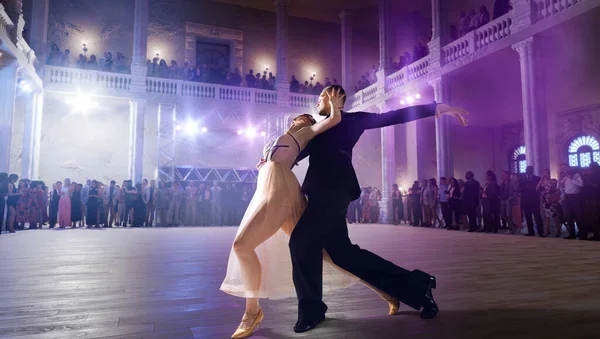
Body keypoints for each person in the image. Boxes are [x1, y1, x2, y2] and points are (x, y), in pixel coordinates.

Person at [221, 89, 408, 339]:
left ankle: (252, 311)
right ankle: (385, 291)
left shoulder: (308, 132)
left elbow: (334, 120)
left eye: (307, 118)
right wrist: (265, 159)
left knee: (243, 245)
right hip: (270, 190)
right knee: (326, 255)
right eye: (300, 118)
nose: (302, 119)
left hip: (281, 193)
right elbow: (280, 157)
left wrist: (331, 105)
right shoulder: (284, 137)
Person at [289, 85, 469, 333]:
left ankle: (311, 310)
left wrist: (435, 107)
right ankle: (418, 287)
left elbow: (394, 115)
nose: (318, 99)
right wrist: (273, 160)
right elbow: (296, 152)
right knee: (343, 255)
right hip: (319, 194)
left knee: (301, 241)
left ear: (337, 98)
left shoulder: (353, 120)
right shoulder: (316, 129)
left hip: (336, 190)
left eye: (323, 95)